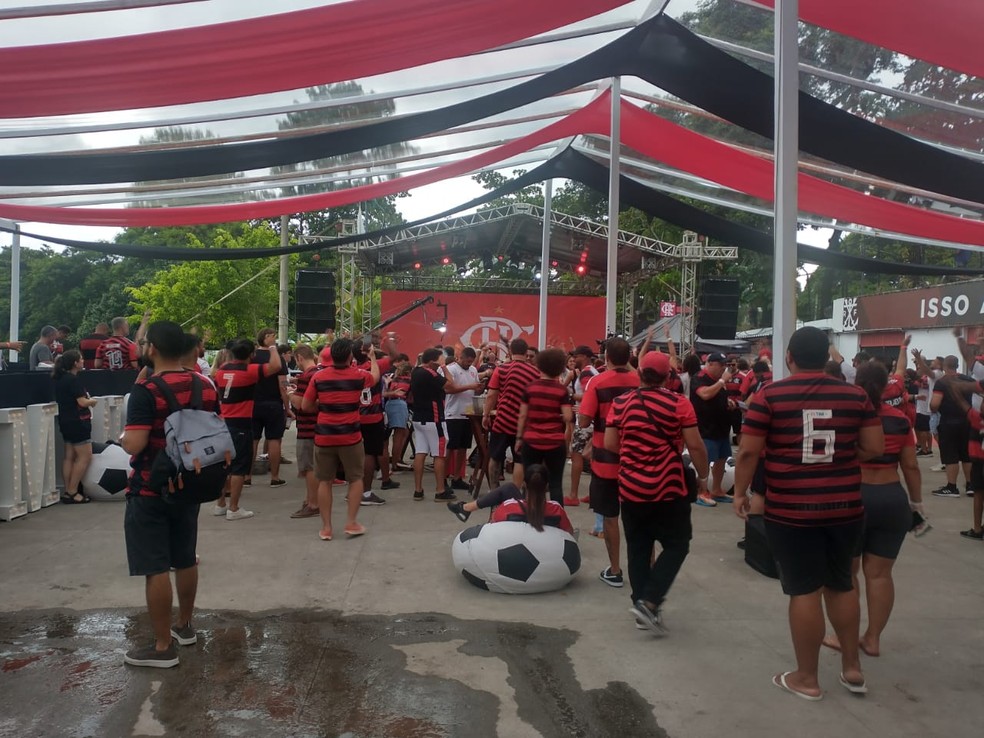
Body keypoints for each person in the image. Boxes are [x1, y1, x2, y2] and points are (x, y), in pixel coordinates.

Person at [733, 326, 883, 700]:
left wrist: (740, 491)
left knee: (803, 589)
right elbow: (874, 447)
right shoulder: (857, 395)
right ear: (829, 357)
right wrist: (842, 459)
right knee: (841, 584)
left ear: (789, 358)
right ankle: (852, 667)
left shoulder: (769, 395)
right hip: (846, 507)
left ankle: (807, 678)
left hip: (791, 509)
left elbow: (749, 452)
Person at [120, 321, 222, 668]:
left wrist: (122, 438)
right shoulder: (206, 385)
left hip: (150, 487)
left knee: (155, 566)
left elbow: (135, 443)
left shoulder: (146, 391)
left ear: (152, 349)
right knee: (185, 557)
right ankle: (185, 626)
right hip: (190, 484)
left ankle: (162, 647)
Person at [820, 360, 923, 658]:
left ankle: (844, 638)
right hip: (892, 499)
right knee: (880, 575)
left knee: (847, 574)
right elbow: (912, 466)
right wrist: (916, 503)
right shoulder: (900, 420)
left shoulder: (848, 416)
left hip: (854, 496)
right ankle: (873, 639)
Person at [604, 351, 709, 634]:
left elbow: (611, 443)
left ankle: (642, 607)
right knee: (677, 545)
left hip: (631, 488)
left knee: (639, 548)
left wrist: (635, 453)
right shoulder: (679, 403)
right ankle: (649, 602)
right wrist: (703, 475)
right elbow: (696, 446)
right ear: (667, 377)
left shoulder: (621, 403)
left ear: (639, 373)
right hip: (668, 489)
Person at [301, 338, 379, 539]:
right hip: (350, 437)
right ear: (350, 356)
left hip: (324, 436)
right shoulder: (359, 375)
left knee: (324, 481)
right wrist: (373, 358)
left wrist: (324, 406)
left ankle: (326, 528)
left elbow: (305, 406)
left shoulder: (318, 377)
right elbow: (375, 377)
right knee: (355, 479)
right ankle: (351, 523)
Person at [579, 337, 639, 588]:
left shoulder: (597, 381)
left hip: (606, 460)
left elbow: (583, 421)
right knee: (639, 519)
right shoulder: (641, 382)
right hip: (638, 460)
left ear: (606, 357)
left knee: (611, 517)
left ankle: (615, 570)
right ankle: (645, 568)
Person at [212, 338, 282, 520]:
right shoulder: (249, 371)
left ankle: (220, 504)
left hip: (222, 422)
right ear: (252, 355)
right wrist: (272, 347)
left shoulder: (222, 370)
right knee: (239, 467)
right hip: (240, 423)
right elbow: (275, 366)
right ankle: (233, 508)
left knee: (223, 464)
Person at [514, 348, 573, 505]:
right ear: (560, 368)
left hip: (531, 440)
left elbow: (522, 415)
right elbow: (568, 416)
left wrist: (519, 438)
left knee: (530, 482)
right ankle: (557, 519)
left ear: (539, 365)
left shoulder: (530, 388)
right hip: (555, 442)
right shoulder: (561, 390)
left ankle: (528, 514)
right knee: (555, 484)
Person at [446, 464, 573, 535]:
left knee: (508, 489)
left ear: (524, 484)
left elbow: (493, 529)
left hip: (515, 545)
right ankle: (466, 509)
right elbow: (569, 533)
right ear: (547, 487)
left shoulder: (508, 507)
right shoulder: (557, 509)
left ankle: (466, 508)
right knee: (509, 489)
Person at [484, 338, 541, 487]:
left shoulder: (501, 369)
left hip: (502, 421)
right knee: (520, 460)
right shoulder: (535, 373)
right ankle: (516, 495)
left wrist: (485, 414)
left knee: (495, 457)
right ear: (525, 352)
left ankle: (494, 490)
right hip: (523, 425)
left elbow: (491, 395)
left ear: (510, 351)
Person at [354, 334, 402, 505]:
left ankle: (354, 490)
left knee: (355, 455)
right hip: (372, 416)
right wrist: (387, 341)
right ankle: (365, 493)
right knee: (370, 454)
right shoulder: (374, 366)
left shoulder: (351, 368)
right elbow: (396, 357)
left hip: (354, 416)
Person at [410, 347, 456, 502]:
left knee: (420, 452)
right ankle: (440, 490)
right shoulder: (430, 373)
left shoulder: (416, 371)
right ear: (433, 361)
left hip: (418, 418)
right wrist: (443, 366)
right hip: (434, 418)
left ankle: (417, 490)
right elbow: (450, 384)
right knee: (439, 454)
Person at [52, 350, 98, 504]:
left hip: (65, 421)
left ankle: (67, 491)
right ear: (75, 363)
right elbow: (82, 402)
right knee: (85, 456)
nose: (83, 361)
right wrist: (92, 401)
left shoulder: (60, 379)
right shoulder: (73, 380)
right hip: (78, 422)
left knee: (69, 457)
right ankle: (73, 491)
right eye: (81, 359)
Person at [690, 352, 735, 506]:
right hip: (705, 427)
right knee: (705, 460)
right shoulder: (700, 378)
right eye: (721, 364)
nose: (724, 368)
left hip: (721, 427)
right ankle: (701, 492)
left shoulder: (719, 381)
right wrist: (722, 380)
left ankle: (716, 490)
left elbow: (718, 396)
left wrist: (728, 402)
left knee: (722, 459)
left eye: (725, 365)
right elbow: (705, 394)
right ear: (710, 364)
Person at [249, 328, 291, 487]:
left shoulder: (252, 357)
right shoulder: (278, 359)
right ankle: (275, 477)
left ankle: (247, 476)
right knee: (274, 440)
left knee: (253, 439)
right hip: (273, 403)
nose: (275, 338)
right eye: (273, 336)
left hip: (254, 403)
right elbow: (283, 384)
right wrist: (287, 406)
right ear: (267, 338)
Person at [929, 355, 973, 498]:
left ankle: (952, 487)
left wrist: (932, 408)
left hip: (949, 422)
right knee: (967, 455)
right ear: (957, 365)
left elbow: (935, 404)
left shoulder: (942, 382)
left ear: (944, 366)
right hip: (967, 421)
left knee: (950, 455)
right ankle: (970, 485)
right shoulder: (968, 380)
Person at [443, 347, 482, 492]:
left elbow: (474, 388)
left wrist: (477, 387)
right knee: (450, 447)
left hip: (469, 413)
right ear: (459, 357)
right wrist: (469, 386)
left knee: (463, 448)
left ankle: (457, 477)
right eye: (466, 361)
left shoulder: (473, 370)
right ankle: (443, 478)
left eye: (471, 362)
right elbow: (448, 389)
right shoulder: (450, 369)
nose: (468, 364)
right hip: (453, 413)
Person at [287, 345, 320, 519]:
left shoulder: (307, 376)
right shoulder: (318, 372)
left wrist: (290, 394)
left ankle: (313, 503)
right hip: (318, 426)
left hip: (308, 428)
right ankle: (309, 500)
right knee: (312, 467)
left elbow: (301, 404)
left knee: (309, 468)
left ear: (299, 358)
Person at [569, 345, 600, 505]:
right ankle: (593, 494)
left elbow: (590, 395)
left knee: (577, 454)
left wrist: (573, 397)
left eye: (577, 356)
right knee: (591, 457)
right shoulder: (591, 372)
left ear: (586, 357)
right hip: (590, 419)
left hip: (586, 420)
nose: (574, 359)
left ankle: (573, 495)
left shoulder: (587, 372)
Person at [384, 359, 412, 473]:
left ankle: (395, 459)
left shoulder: (393, 379)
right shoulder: (409, 380)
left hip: (389, 403)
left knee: (401, 432)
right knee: (399, 435)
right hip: (400, 404)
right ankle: (396, 462)